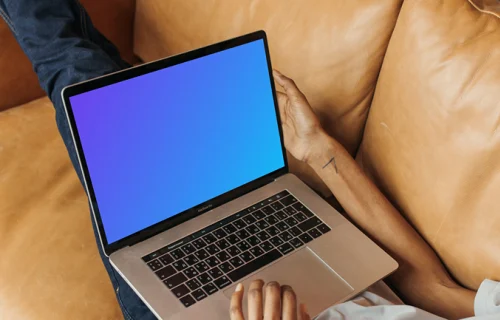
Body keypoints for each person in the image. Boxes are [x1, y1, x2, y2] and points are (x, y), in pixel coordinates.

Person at [1, 1, 497, 319]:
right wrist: (320, 152)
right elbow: (431, 287)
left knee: (76, 77)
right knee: (108, 93)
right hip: (342, 282)